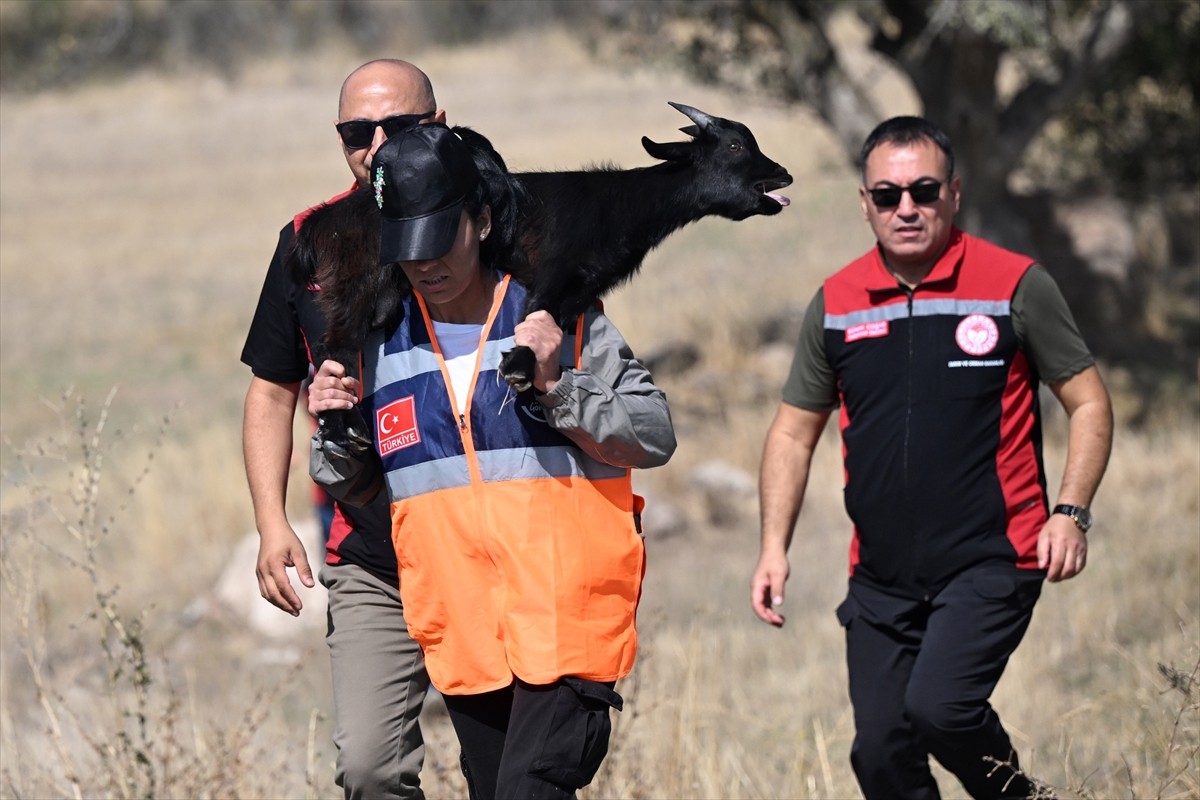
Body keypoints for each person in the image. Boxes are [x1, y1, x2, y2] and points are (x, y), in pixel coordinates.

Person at [306, 122, 676, 800]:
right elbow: (356, 484)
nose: (426, 265)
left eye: (440, 240)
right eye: (408, 248)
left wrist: (559, 386)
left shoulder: (555, 319)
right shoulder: (379, 344)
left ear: (479, 220)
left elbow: (652, 435)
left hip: (566, 624)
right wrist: (334, 428)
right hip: (467, 640)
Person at [750, 116, 1113, 800]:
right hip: (881, 580)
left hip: (990, 559)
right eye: (887, 195)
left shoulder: (1016, 285)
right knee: (882, 756)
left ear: (953, 194)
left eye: (923, 190)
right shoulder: (836, 302)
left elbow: (1089, 402)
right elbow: (793, 434)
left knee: (941, 709)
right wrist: (774, 546)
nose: (905, 208)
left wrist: (1070, 512)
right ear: (864, 203)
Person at [240, 59, 445, 800]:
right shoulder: (308, 240)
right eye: (359, 132)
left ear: (440, 126)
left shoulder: (498, 225)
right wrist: (270, 523)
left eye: (400, 128)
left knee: (512, 772)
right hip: (370, 552)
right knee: (368, 770)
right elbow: (270, 390)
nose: (379, 145)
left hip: (491, 540)